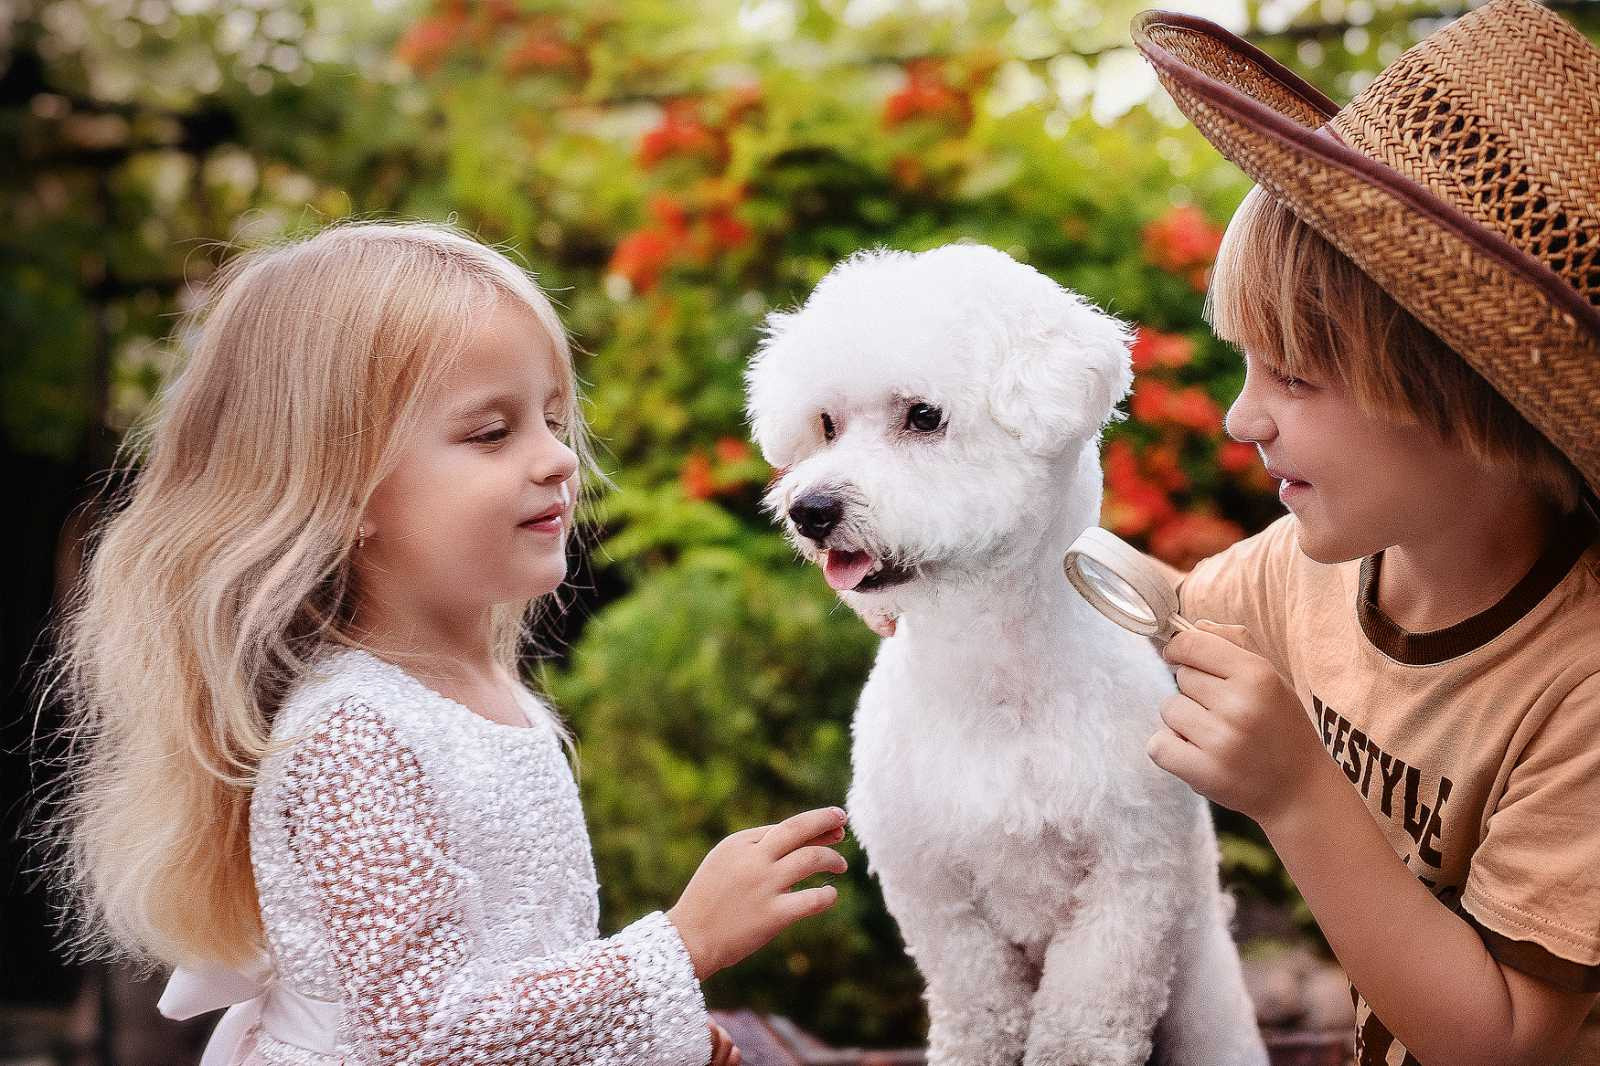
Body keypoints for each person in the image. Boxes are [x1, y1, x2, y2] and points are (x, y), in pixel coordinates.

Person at [42, 220, 847, 1065]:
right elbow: (426, 1035)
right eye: (491, 433)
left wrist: (655, 1034)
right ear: (341, 490)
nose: (556, 460)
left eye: (551, 418)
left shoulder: (488, 696)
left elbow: (516, 984)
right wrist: (682, 945)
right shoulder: (355, 735)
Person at [1129, 2, 1600, 1063]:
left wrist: (1298, 796)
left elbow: (1502, 1044)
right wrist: (985, 596)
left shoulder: (1580, 684)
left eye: (1294, 375)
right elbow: (1161, 625)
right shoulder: (1302, 571)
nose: (1241, 419)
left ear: (1472, 402)